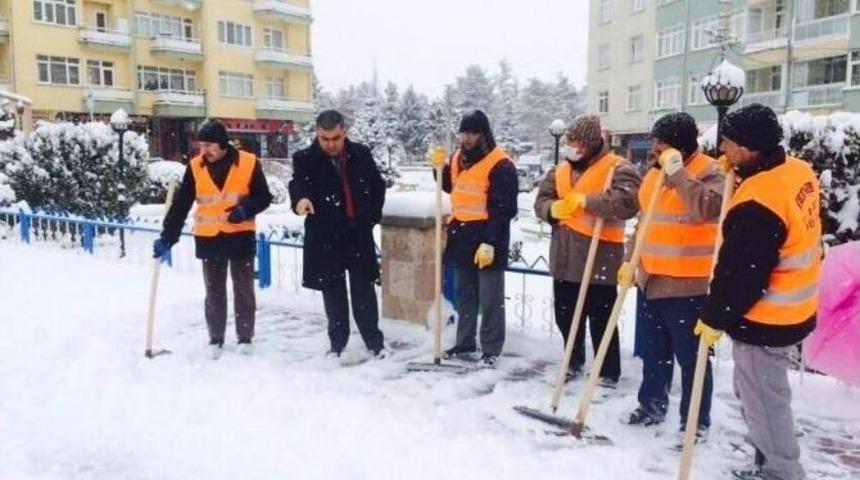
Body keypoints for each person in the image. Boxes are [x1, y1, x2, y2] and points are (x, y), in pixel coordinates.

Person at [695, 104, 821, 480]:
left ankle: (783, 471)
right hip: (795, 305)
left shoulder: (758, 203)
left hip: (767, 316)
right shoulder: (795, 169)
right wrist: (737, 173)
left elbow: (740, 275)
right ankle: (768, 461)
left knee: (765, 402)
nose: (724, 151)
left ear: (749, 148)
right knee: (755, 393)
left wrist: (714, 317)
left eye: (729, 144)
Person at [619, 112, 724, 441]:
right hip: (651, 278)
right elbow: (644, 222)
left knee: (693, 360)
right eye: (654, 141)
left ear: (679, 145)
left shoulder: (711, 171)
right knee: (654, 352)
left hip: (688, 284)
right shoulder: (651, 175)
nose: (655, 148)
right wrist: (629, 260)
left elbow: (708, 209)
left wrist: (679, 174)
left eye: (661, 142)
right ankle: (651, 404)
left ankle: (695, 420)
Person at [533, 114, 641, 386]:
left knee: (601, 318)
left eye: (579, 142)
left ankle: (607, 370)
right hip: (565, 256)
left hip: (599, 259)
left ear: (593, 143)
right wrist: (552, 210)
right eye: (570, 141)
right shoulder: (558, 171)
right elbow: (541, 201)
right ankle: (573, 360)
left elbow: (628, 202)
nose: (573, 147)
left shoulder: (618, 167)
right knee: (566, 316)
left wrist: (587, 201)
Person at [153, 119, 273, 358]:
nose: (204, 151)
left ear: (223, 145)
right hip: (209, 237)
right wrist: (168, 236)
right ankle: (215, 338)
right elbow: (181, 204)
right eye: (201, 145)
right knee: (214, 290)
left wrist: (244, 210)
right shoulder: (195, 166)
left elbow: (264, 197)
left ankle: (245, 338)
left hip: (240, 235)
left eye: (209, 145)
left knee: (243, 289)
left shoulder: (248, 163)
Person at [288, 110, 388, 359]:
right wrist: (301, 200)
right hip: (326, 237)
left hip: (358, 234)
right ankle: (337, 345)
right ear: (317, 135)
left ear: (345, 132)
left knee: (363, 291)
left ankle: (374, 343)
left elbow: (377, 187)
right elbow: (298, 183)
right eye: (324, 139)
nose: (330, 144)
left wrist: (370, 217)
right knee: (333, 294)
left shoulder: (361, 154)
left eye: (335, 138)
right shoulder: (305, 158)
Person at [430, 110, 518, 367]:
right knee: (464, 294)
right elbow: (449, 185)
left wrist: (490, 242)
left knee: (490, 297)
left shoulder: (500, 164)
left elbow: (503, 210)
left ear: (483, 134)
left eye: (472, 133)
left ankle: (491, 350)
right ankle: (465, 343)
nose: (466, 138)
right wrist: (438, 168)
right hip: (462, 235)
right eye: (464, 133)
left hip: (488, 237)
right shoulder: (458, 157)